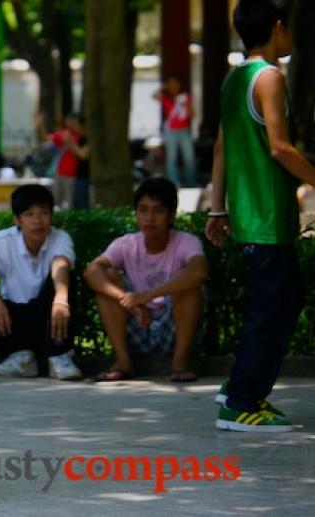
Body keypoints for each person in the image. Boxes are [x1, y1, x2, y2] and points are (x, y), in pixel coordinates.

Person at [206, 0, 314, 433]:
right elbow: (280, 147)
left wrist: (217, 207)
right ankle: (242, 401)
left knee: (277, 302)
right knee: (276, 305)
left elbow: (219, 148)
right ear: (277, 27)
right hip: (266, 217)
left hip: (252, 217)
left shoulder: (234, 80)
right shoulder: (269, 77)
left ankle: (240, 385)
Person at [84, 178, 208, 382]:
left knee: (189, 284)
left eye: (158, 210)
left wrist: (146, 296)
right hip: (139, 325)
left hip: (174, 328)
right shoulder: (126, 244)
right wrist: (131, 302)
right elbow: (91, 271)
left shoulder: (186, 242)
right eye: (143, 210)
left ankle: (180, 362)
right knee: (107, 277)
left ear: (171, 215)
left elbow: (199, 273)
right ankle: (123, 362)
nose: (149, 217)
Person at [0, 184, 82, 380]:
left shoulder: (60, 238)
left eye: (43, 213)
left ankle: (59, 357)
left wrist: (60, 298)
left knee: (65, 283)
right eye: (29, 214)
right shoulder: (3, 242)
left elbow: (61, 264)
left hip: (48, 314)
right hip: (12, 318)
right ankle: (21, 358)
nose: (37, 221)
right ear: (17, 219)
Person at [154, 76, 196, 187]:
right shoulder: (166, 98)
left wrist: (186, 108)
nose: (173, 86)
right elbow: (154, 95)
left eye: (175, 83)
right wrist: (164, 87)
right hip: (170, 131)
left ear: (179, 84)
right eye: (170, 84)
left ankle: (190, 182)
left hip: (183, 129)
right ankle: (174, 182)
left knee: (189, 156)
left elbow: (192, 114)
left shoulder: (185, 97)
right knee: (171, 157)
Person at [36, 112, 82, 210]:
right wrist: (40, 124)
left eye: (72, 121)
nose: (70, 123)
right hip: (60, 172)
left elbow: (80, 154)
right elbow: (46, 138)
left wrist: (69, 141)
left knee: (70, 201)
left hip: (73, 174)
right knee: (55, 200)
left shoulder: (81, 136)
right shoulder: (64, 133)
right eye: (68, 121)